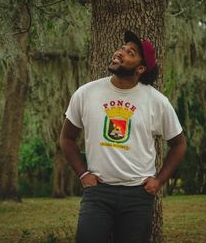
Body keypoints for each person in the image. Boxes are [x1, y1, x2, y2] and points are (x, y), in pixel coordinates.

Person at [60, 30, 187, 243]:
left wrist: (159, 181)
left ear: (140, 68)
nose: (120, 53)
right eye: (122, 48)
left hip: (137, 196)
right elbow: (66, 138)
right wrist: (82, 174)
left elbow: (179, 144)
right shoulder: (86, 93)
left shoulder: (156, 101)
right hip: (98, 193)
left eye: (130, 52)